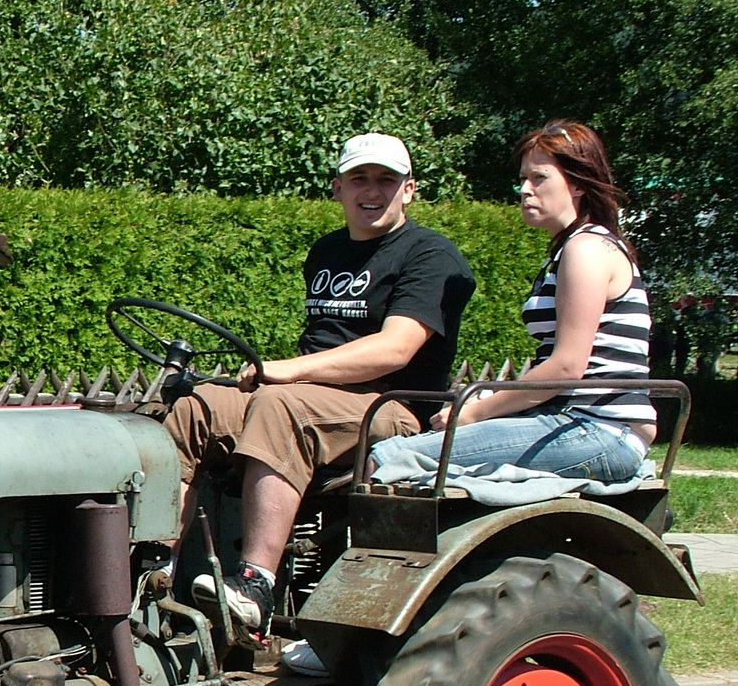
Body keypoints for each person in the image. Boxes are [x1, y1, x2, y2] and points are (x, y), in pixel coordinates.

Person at [164, 132, 476, 638]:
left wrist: (290, 370)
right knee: (196, 406)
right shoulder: (327, 251)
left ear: (409, 190)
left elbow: (395, 349)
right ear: (337, 188)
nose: (371, 191)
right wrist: (290, 376)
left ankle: (255, 588)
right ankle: (156, 573)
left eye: (386, 180)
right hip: (318, 396)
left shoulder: (430, 255)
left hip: (392, 405)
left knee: (280, 405)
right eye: (359, 179)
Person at [370, 119, 653, 490]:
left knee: (389, 456)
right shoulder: (574, 247)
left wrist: (474, 412)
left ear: (579, 184)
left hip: (597, 429)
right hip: (578, 423)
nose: (525, 190)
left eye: (540, 178)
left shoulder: (586, 249)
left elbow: (567, 366)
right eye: (523, 179)